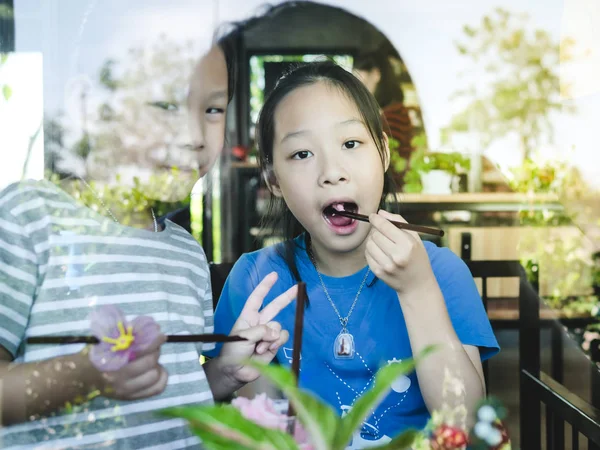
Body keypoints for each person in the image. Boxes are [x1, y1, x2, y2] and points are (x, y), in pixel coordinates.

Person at [0, 17, 294, 450]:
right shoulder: (31, 217)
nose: (195, 136)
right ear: (86, 107)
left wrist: (225, 373)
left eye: (212, 109)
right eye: (165, 105)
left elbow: (173, 396)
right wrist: (88, 376)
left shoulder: (185, 252)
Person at [206, 61, 499, 446]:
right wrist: (235, 370)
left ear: (384, 153)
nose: (332, 171)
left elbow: (464, 425)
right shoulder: (257, 280)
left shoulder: (441, 272)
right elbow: (253, 427)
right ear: (273, 178)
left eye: (350, 144)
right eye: (301, 154)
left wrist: (418, 290)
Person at [353, 49, 415, 186]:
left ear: (375, 75)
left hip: (394, 189)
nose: (356, 88)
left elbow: (391, 160)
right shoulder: (384, 111)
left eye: (359, 79)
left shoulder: (394, 113)